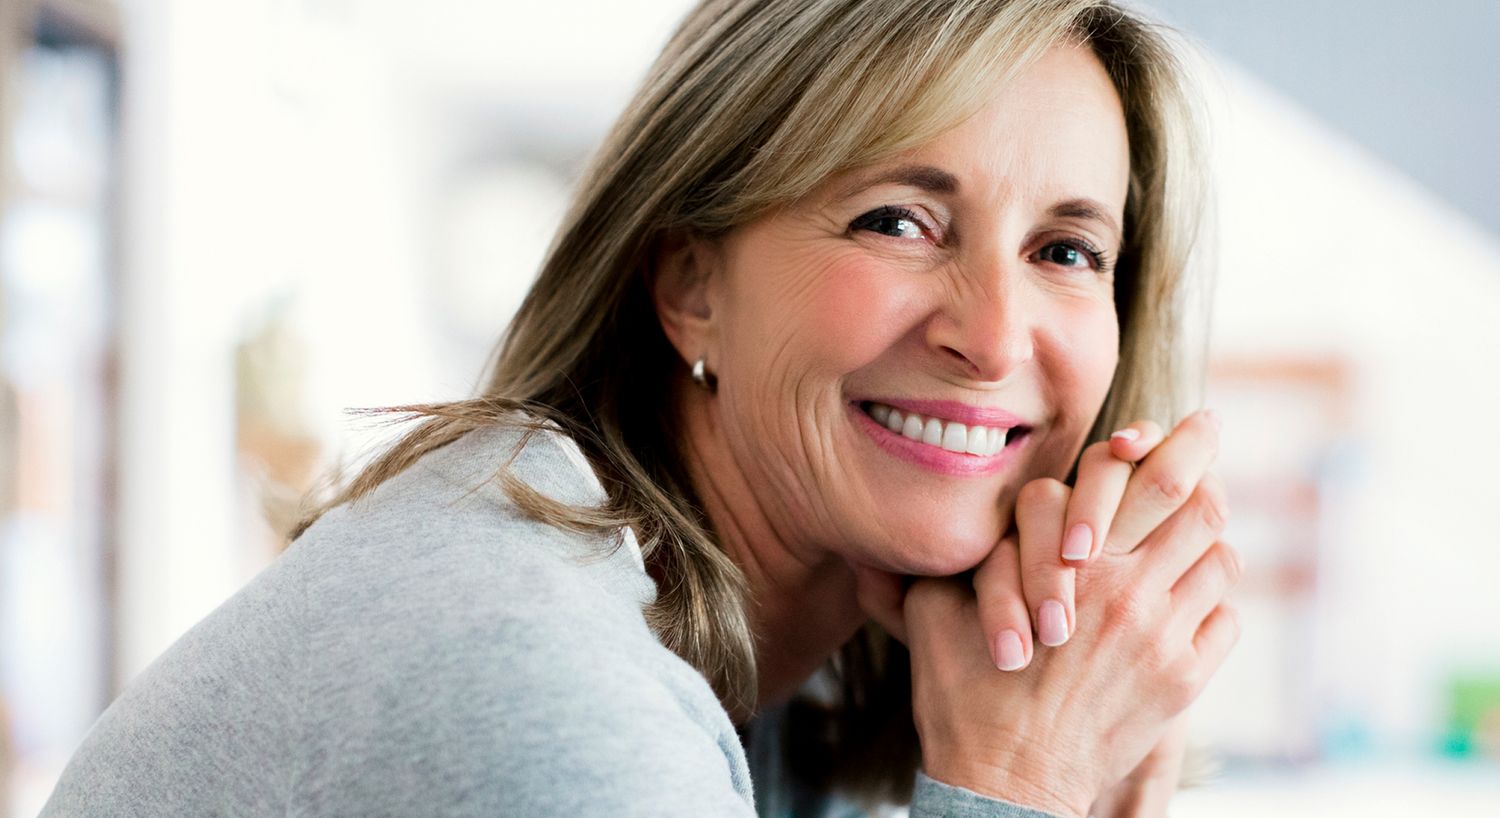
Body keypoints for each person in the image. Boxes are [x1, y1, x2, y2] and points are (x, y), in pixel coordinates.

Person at [42, 0, 1240, 816]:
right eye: (897, 220)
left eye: (1069, 249)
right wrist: (1023, 776)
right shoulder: (538, 669)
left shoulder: (785, 675)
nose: (989, 336)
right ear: (689, 283)